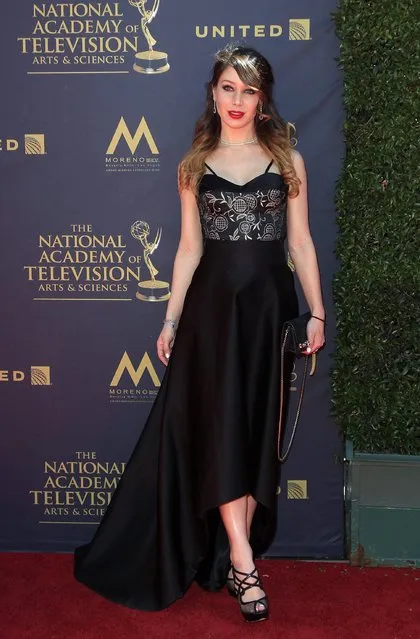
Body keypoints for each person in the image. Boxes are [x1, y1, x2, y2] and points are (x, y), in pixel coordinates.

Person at [74, 44, 325, 623]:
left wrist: (316, 312)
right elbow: (189, 249)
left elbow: (300, 242)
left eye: (248, 90)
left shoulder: (287, 160)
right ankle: (242, 559)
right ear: (212, 93)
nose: (236, 100)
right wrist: (169, 317)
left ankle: (237, 552)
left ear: (263, 101)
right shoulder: (192, 165)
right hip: (210, 316)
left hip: (267, 315)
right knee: (219, 431)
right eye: (227, 88)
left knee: (252, 431)